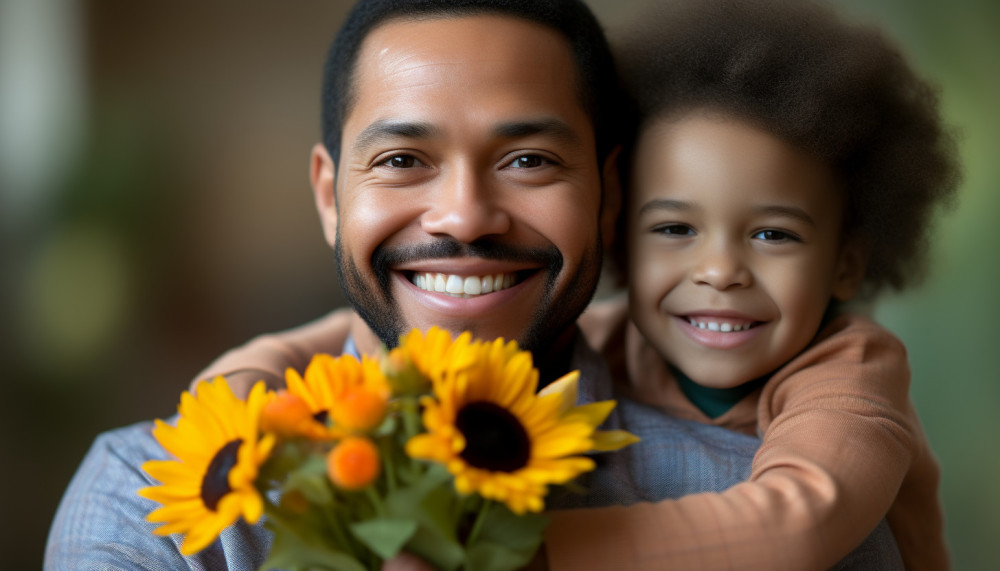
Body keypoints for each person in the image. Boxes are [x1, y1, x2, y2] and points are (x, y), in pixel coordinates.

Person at [45, 0, 902, 569]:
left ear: (609, 200)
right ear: (328, 196)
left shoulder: (761, 505)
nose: (463, 216)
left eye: (528, 159)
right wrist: (238, 398)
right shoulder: (147, 498)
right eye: (403, 160)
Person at [542, 0, 960, 569]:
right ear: (617, 237)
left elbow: (802, 522)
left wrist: (533, 553)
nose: (719, 270)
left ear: (846, 263)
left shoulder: (851, 373)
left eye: (772, 235)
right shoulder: (594, 341)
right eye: (674, 228)